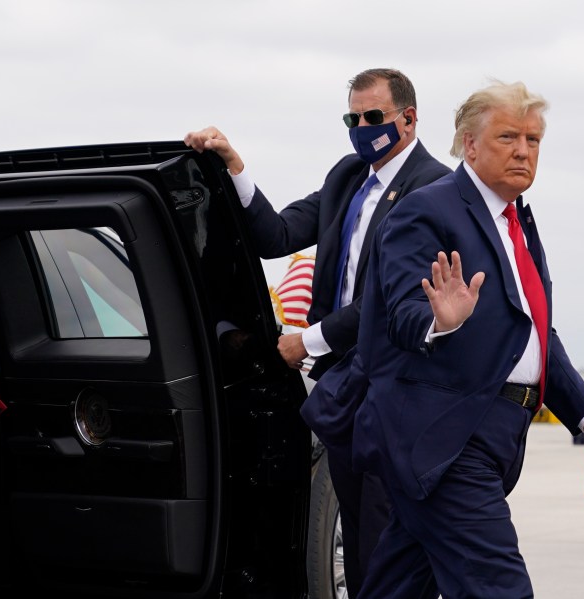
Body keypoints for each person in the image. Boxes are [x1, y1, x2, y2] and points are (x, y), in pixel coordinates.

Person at [350, 81, 584, 598]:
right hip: (445, 438)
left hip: (496, 433)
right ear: (470, 145)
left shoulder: (516, 220)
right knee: (498, 587)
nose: (524, 150)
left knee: (397, 586)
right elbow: (402, 315)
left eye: (533, 139)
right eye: (508, 136)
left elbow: (535, 331)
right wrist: (443, 320)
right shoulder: (426, 210)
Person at [184, 68, 450, 598]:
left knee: (387, 542)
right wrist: (235, 169)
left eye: (373, 117)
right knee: (354, 535)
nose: (361, 128)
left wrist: (308, 340)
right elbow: (275, 234)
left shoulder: (435, 188)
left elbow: (391, 299)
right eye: (352, 118)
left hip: (396, 388)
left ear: (409, 118)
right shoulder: (347, 177)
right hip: (343, 387)